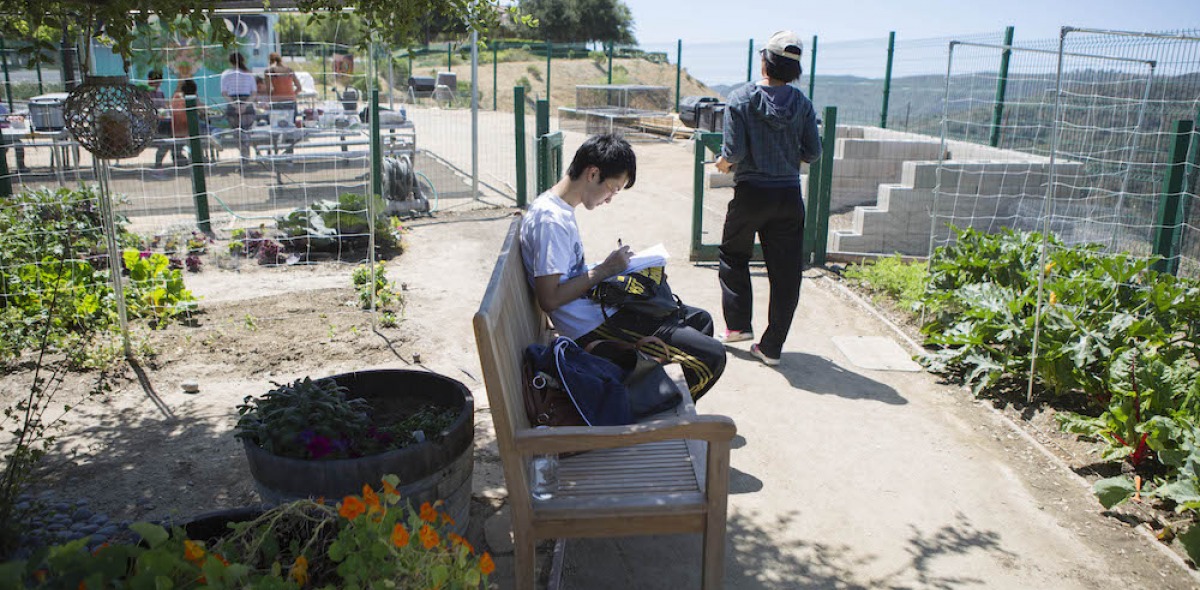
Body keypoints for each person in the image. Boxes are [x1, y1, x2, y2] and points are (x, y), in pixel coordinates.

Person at [520, 133, 726, 401]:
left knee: (701, 320)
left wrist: (615, 268)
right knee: (711, 356)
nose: (609, 199)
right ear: (593, 174)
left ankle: (659, 394)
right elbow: (549, 299)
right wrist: (605, 269)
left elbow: (565, 276)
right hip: (591, 326)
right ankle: (658, 414)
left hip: (599, 309)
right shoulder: (552, 222)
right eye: (613, 189)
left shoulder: (558, 211)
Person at [715, 30, 822, 367]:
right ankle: (772, 347)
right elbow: (813, 153)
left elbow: (733, 152)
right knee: (787, 273)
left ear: (764, 60)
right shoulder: (803, 104)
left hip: (750, 194)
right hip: (788, 196)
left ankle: (737, 327)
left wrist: (723, 162)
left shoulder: (740, 98)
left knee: (733, 255)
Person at [155, 79, 204, 169]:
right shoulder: (192, 100)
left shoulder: (176, 98)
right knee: (203, 128)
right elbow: (202, 111)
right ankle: (183, 157)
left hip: (174, 129)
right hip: (186, 131)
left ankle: (163, 162)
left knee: (167, 143)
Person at [220, 52, 257, 160]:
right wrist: (244, 105)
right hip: (247, 103)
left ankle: (243, 157)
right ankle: (246, 157)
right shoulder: (248, 74)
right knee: (246, 132)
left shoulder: (226, 74)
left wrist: (235, 105)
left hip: (232, 103)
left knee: (237, 133)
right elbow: (254, 93)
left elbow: (224, 93)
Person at [264, 52, 302, 122]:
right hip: (291, 99)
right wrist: (293, 94)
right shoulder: (290, 70)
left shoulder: (269, 71)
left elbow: (268, 89)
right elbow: (299, 87)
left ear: (270, 60)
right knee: (291, 124)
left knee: (277, 123)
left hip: (277, 99)